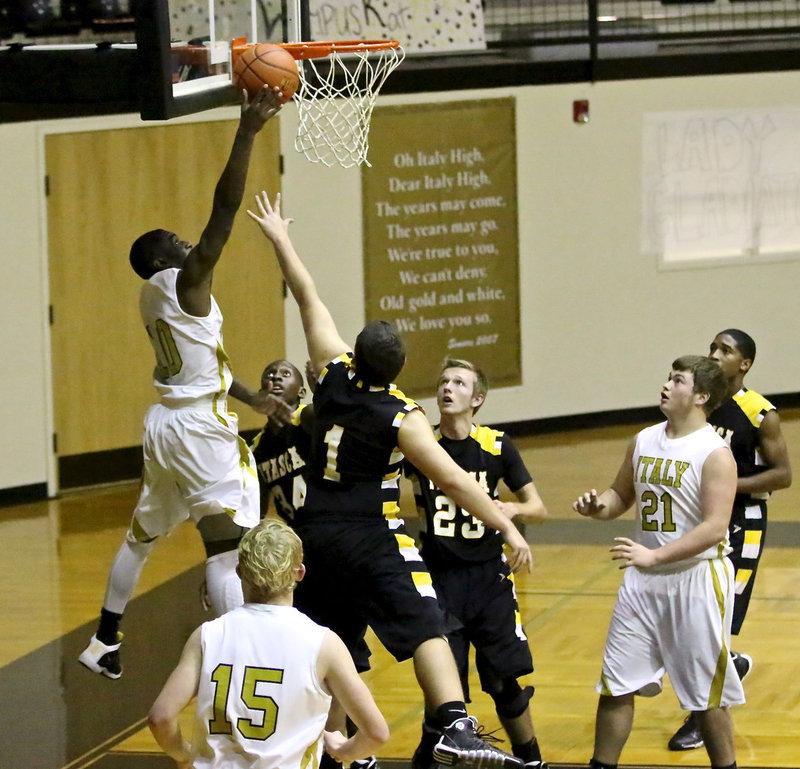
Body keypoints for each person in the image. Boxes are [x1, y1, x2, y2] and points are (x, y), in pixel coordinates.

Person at [247, 190, 532, 769]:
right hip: (369, 532)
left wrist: (280, 236)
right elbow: (454, 480)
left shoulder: (328, 374)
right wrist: (505, 522)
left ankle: (327, 752)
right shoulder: (403, 416)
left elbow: (307, 294)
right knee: (428, 623)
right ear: (398, 371)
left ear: (355, 355)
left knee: (334, 645)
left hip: (314, 535)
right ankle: (453, 723)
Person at [79, 87, 292, 680]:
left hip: (168, 423)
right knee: (229, 548)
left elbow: (202, 368)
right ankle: (238, 665)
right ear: (165, 259)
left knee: (142, 537)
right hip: (196, 429)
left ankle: (104, 637)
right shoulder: (183, 281)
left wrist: (253, 398)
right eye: (176, 240)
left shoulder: (155, 298)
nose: (187, 241)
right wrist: (247, 132)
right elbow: (222, 216)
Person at [573, 355, 744, 769]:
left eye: (678, 380)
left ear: (701, 395)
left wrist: (654, 554)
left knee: (706, 698)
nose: (667, 385)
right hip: (642, 582)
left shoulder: (715, 453)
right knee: (616, 685)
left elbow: (715, 528)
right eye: (668, 378)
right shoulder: (645, 438)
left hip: (696, 580)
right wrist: (597, 506)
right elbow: (619, 496)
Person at [148, 517, 390, 769]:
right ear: (299, 573)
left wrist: (184, 755)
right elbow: (376, 733)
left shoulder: (207, 635)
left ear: (240, 571)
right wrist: (345, 751)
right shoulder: (324, 644)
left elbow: (160, 717)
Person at [405, 359, 549, 769]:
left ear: (478, 398)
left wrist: (512, 510)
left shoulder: (496, 446)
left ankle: (531, 759)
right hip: (439, 580)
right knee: (443, 694)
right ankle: (426, 758)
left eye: (459, 383)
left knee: (505, 682)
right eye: (444, 381)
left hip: (489, 579)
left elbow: (538, 507)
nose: (447, 388)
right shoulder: (422, 445)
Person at [667, 330, 792, 751]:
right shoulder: (703, 405)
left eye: (726, 351)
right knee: (695, 611)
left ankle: (702, 714)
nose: (715, 355)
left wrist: (727, 485)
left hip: (743, 520)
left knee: (719, 614)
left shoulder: (759, 412)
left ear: (745, 365)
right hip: (697, 517)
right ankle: (731, 666)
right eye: (712, 348)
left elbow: (783, 475)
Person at [250, 359, 310, 523]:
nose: (276, 377)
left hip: (332, 522)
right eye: (270, 374)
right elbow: (259, 507)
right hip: (296, 530)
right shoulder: (257, 447)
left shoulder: (308, 418)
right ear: (261, 393)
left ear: (302, 392)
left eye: (285, 374)